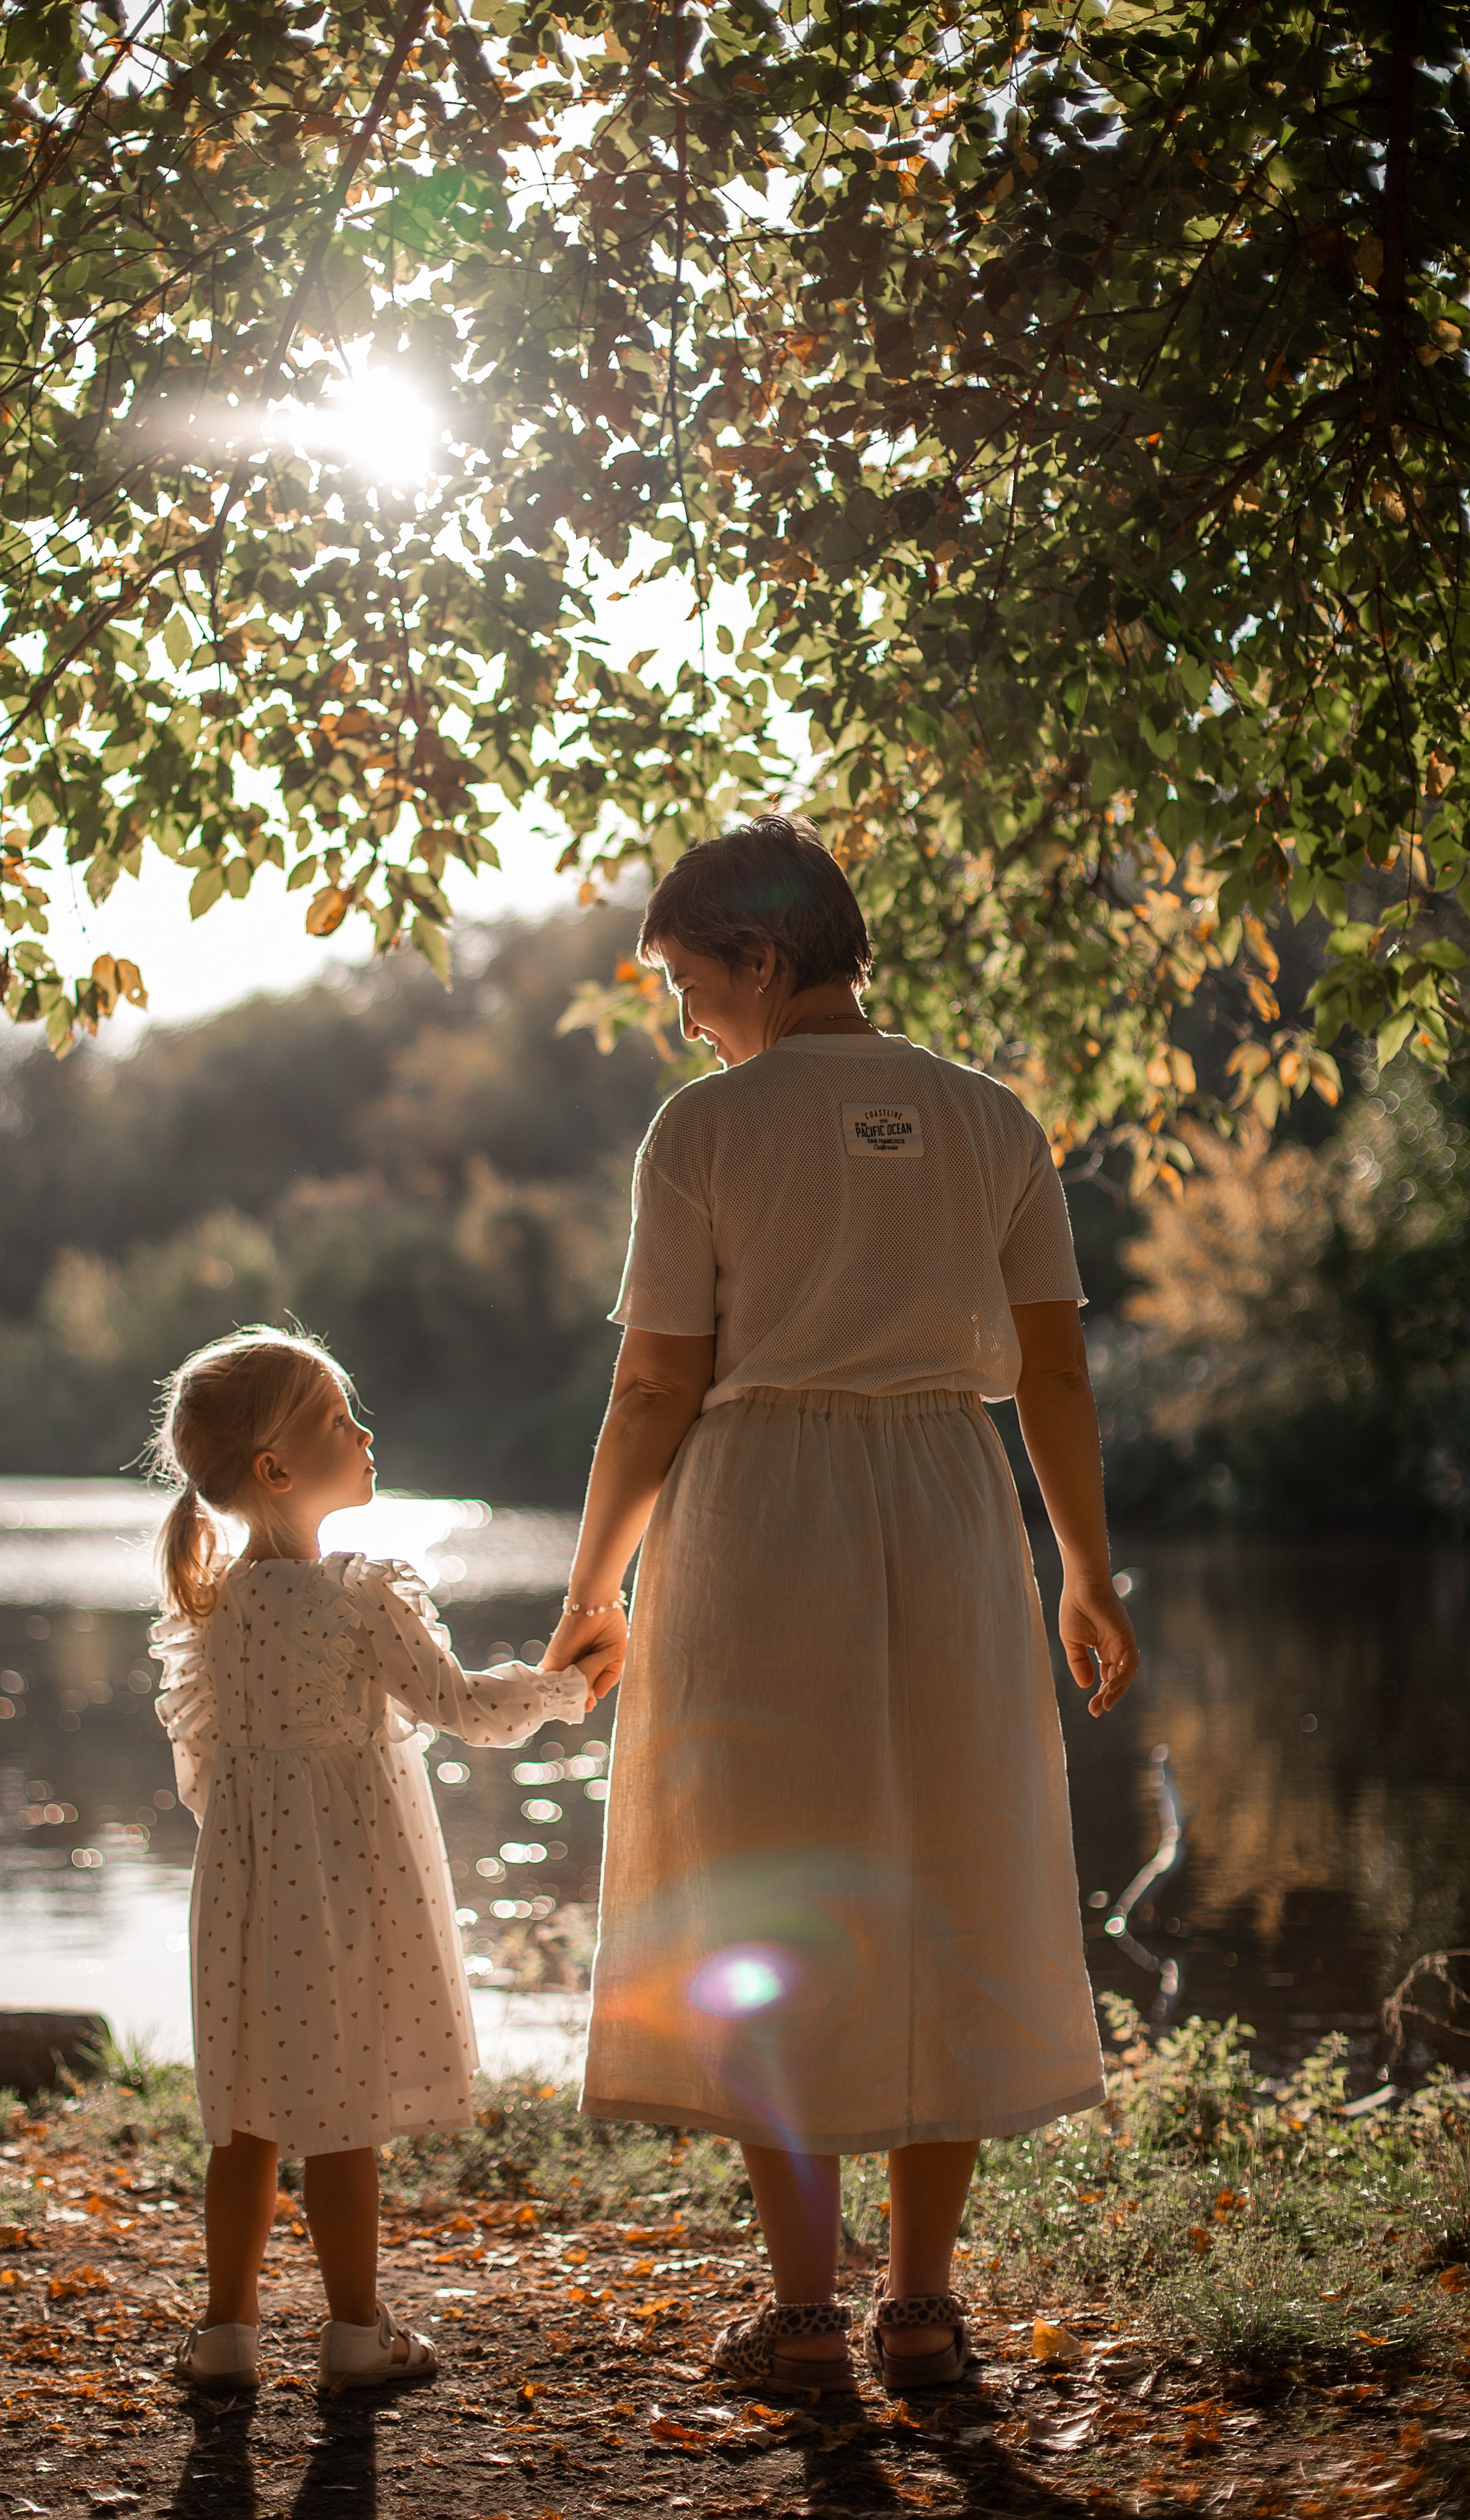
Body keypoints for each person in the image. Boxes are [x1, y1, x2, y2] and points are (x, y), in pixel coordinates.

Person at [543, 816, 1138, 2397]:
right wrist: (1082, 1567)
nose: (683, 1016)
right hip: (950, 1509)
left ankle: (803, 2316)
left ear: (759, 957)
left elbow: (657, 1377)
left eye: (686, 979)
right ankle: (923, 2310)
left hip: (758, 1523)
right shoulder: (992, 1120)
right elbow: (1056, 1370)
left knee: (767, 1889)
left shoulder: (704, 1132)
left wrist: (593, 1581)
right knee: (948, 1872)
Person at [147, 1325, 615, 2395]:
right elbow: (460, 1711)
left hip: (243, 1886)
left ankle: (225, 2336)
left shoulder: (211, 1606)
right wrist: (569, 1687)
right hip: (349, 1881)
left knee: (251, 2115)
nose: (365, 1433)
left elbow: (202, 1766)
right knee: (341, 2112)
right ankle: (356, 2334)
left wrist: (255, 1845)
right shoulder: (359, 1595)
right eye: (337, 1421)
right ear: (276, 1469)